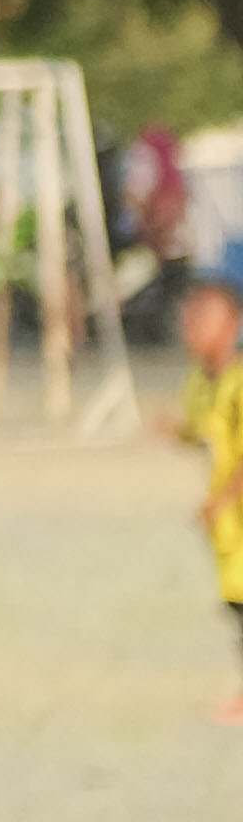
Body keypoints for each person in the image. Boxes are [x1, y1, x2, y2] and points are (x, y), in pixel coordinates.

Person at [155, 269, 243, 718]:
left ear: (233, 326)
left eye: (205, 319)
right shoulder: (198, 383)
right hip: (228, 527)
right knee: (236, 603)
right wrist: (176, 431)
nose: (193, 329)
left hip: (232, 512)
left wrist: (223, 498)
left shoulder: (240, 383)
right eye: (190, 320)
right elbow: (200, 432)